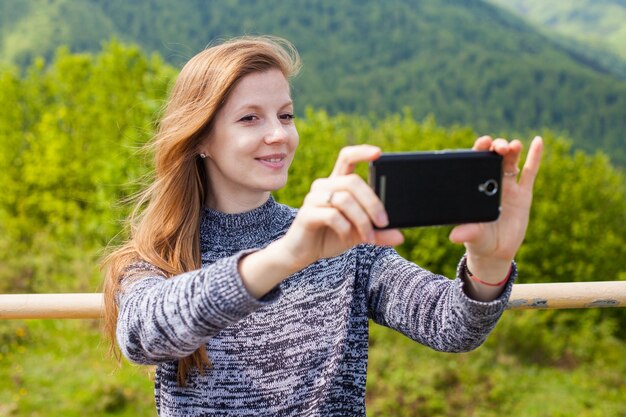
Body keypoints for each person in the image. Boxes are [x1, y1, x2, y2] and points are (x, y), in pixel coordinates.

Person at [102, 35, 543, 417]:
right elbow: (145, 335)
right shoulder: (150, 259)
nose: (279, 134)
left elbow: (450, 326)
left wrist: (489, 262)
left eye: (286, 114)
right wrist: (289, 254)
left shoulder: (341, 240)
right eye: (250, 118)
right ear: (200, 138)